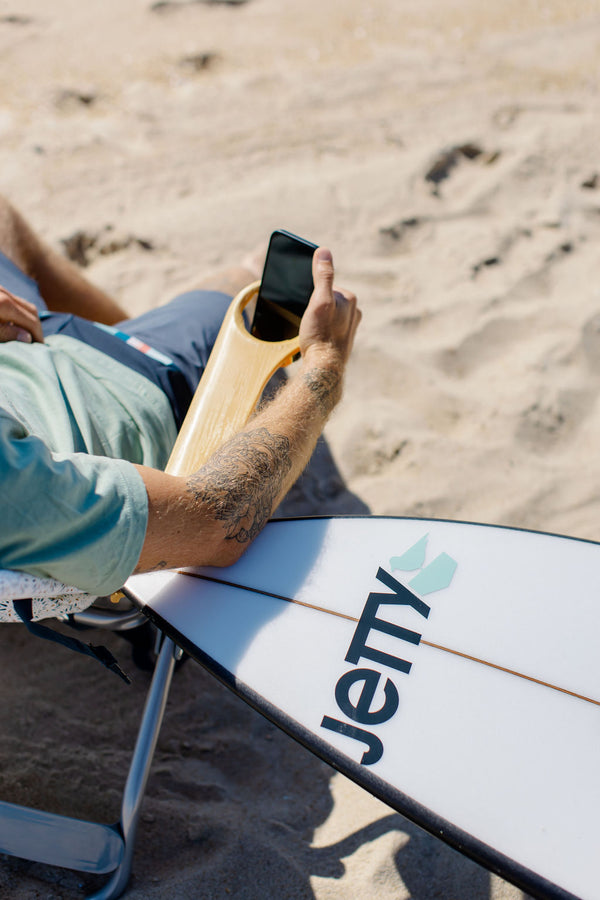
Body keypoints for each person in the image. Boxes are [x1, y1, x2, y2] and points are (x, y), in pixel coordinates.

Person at [0, 196, 360, 600]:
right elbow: (218, 522)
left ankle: (137, 325)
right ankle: (159, 325)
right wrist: (324, 368)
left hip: (27, 343)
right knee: (250, 279)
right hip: (140, 383)